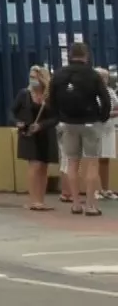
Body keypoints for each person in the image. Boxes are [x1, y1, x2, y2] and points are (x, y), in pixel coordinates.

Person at [47, 41, 112, 216]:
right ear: (86, 55)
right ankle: (90, 205)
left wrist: (59, 117)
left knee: (72, 163)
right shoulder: (92, 75)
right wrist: (102, 117)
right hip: (90, 123)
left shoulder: (59, 75)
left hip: (68, 123)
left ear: (70, 55)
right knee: (92, 164)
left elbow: (51, 100)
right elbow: (105, 100)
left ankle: (76, 203)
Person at [15, 64, 58, 211]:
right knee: (35, 165)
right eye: (31, 77)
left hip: (45, 134)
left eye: (35, 77)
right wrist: (18, 122)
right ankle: (33, 200)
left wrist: (41, 125)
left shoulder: (50, 97)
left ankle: (41, 200)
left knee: (44, 167)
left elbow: (56, 117)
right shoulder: (24, 94)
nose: (32, 80)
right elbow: (12, 111)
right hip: (29, 134)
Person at [101, 68, 117, 202]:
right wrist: (112, 113)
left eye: (106, 77)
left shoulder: (111, 92)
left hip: (109, 129)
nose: (104, 80)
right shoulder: (92, 92)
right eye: (101, 77)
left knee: (106, 159)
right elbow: (99, 113)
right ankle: (96, 189)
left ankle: (105, 189)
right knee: (95, 160)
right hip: (97, 129)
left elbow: (116, 106)